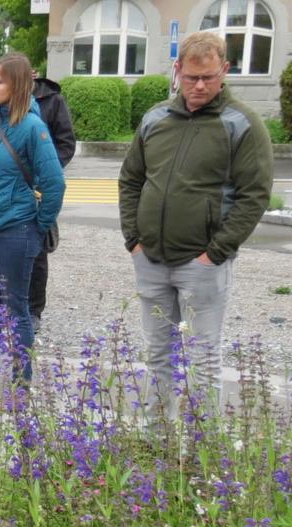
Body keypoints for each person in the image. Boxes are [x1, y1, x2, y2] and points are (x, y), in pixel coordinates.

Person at [118, 31, 273, 427]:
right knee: (157, 353)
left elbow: (253, 195)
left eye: (208, 77)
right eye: (191, 77)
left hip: (202, 264)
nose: (199, 86)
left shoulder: (241, 123)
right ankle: (156, 440)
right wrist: (133, 240)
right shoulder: (156, 118)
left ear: (224, 70)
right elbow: (132, 180)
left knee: (203, 359)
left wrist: (215, 254)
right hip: (150, 259)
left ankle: (203, 451)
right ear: (177, 71)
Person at [0, 52, 65, 406]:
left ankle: (22, 388)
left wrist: (36, 230)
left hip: (16, 231)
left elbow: (54, 184)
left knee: (16, 308)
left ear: (18, 86)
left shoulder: (32, 127)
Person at [28, 71, 76, 333]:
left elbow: (66, 144)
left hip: (39, 189)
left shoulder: (52, 101)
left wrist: (46, 172)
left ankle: (34, 309)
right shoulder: (2, 102)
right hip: (11, 189)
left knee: (37, 251)